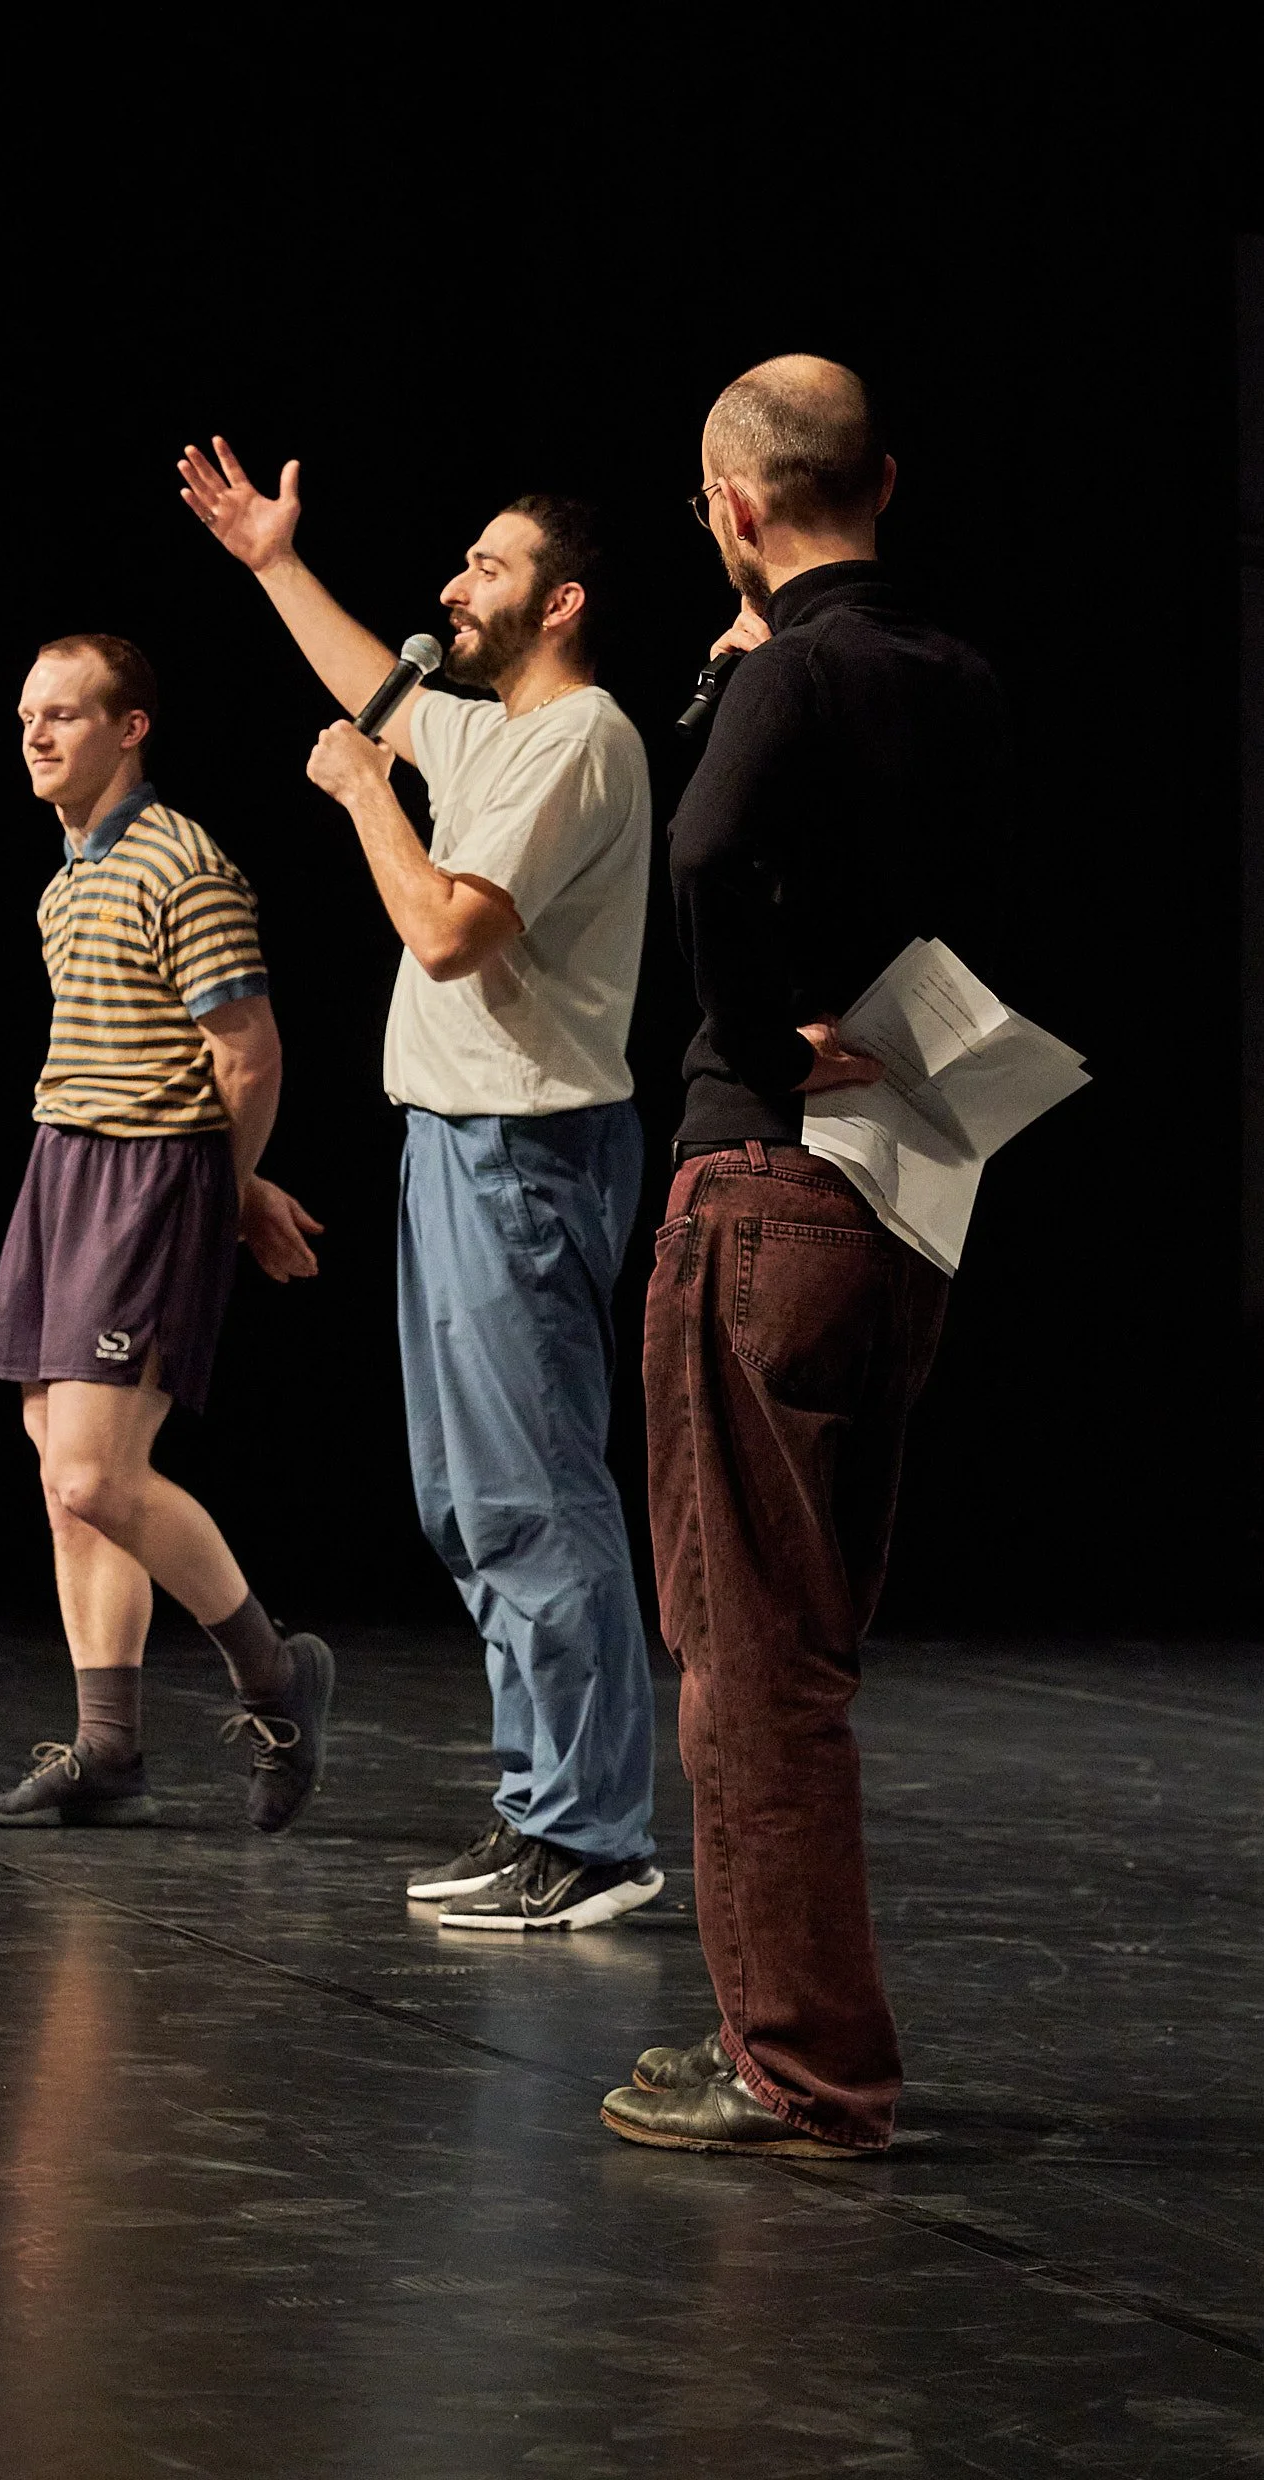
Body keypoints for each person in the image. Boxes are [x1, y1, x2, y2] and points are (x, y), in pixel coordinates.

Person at [600, 357, 1010, 2151]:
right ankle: (808, 2041)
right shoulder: (953, 678)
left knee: (746, 1649)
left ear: (735, 506)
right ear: (887, 481)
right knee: (805, 1637)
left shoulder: (796, 672)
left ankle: (795, 2066)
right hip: (909, 1181)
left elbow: (698, 850)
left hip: (759, 1182)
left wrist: (758, 1039)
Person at [178, 440, 662, 1930]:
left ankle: (590, 1836)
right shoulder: (496, 733)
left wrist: (361, 797)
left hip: (525, 1153)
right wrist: (271, 561)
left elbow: (450, 932)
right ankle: (541, 1810)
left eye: (487, 566)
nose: (453, 585)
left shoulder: (580, 737)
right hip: (458, 1143)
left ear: (560, 601)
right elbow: (373, 695)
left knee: (533, 1499)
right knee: (470, 1503)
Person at [0, 632, 334, 1834]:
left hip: (145, 1179)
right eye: (28, 713)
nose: (36, 733)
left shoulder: (185, 867)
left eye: (64, 713)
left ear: (130, 728)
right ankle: (108, 1751)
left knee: (94, 1468)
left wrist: (223, 1185)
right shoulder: (67, 880)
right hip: (61, 1165)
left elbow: (248, 1053)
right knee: (64, 1484)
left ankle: (278, 1676)